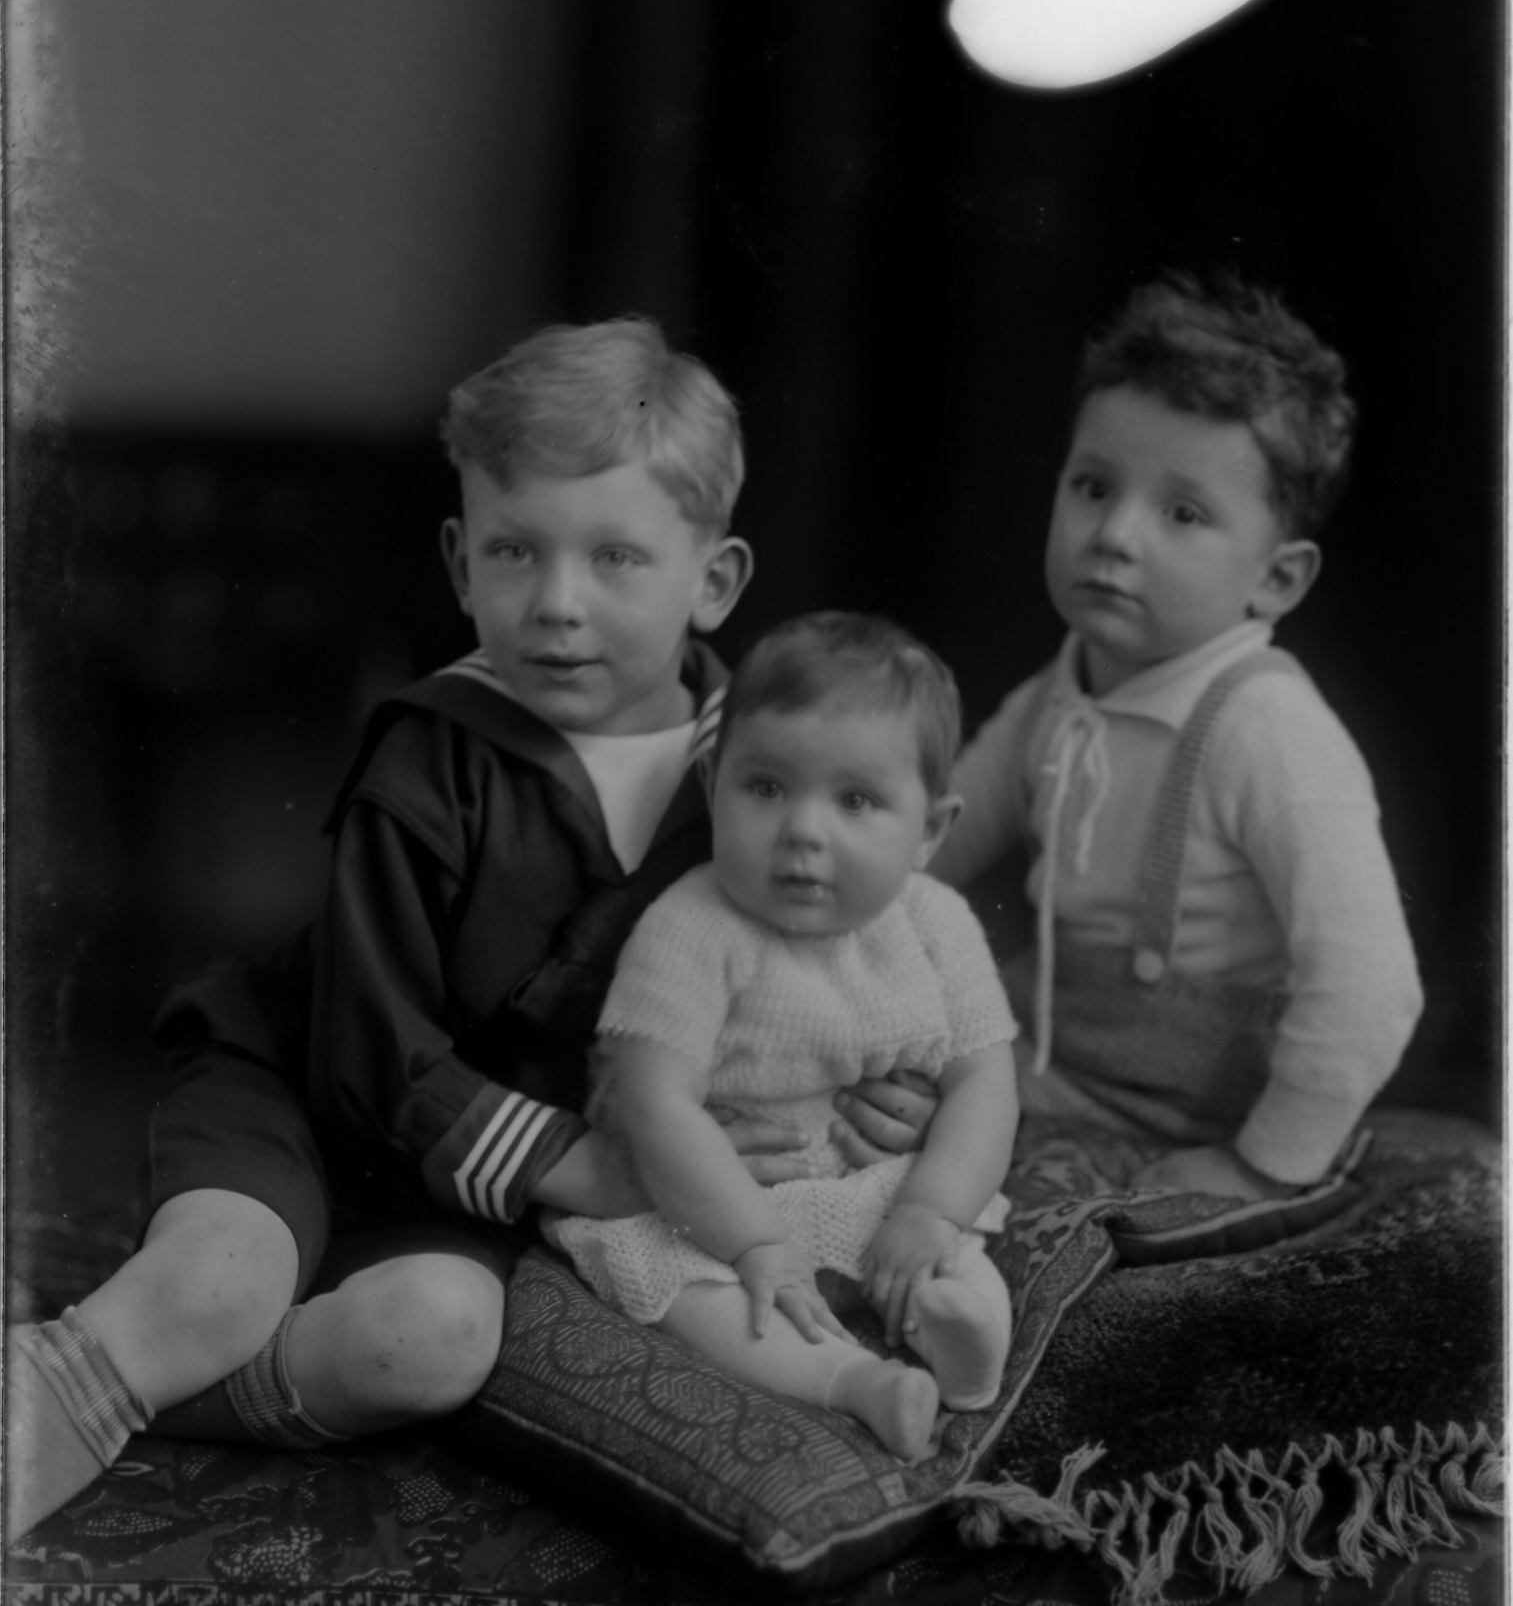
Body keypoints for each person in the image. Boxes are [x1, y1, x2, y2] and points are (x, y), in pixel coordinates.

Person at [7, 320, 928, 1541]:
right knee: (219, 1282)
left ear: (713, 580)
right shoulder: (429, 757)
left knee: (430, 1341)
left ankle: (152, 1391)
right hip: (309, 1091)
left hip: (465, 1189)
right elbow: (369, 1057)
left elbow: (840, 965)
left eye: (614, 557)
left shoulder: (775, 779)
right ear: (459, 561)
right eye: (514, 550)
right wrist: (593, 1167)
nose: (557, 604)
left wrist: (876, 1081)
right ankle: (88, 1374)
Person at [932, 273, 1423, 1209]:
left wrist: (1260, 1165)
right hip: (1051, 1058)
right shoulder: (1062, 687)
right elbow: (934, 840)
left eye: (1182, 513)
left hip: (1187, 1114)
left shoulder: (1267, 731)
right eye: (1092, 487)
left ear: (1275, 581)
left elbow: (1371, 987)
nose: (1113, 535)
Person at [548, 614, 1020, 1465]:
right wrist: (754, 1241)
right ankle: (854, 1381)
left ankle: (962, 1338)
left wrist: (929, 1211)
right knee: (695, 1292)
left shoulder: (937, 922)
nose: (803, 830)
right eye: (765, 788)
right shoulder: (692, 926)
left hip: (877, 1184)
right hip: (713, 1199)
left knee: (949, 1248)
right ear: (712, 783)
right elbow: (655, 1104)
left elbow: (985, 1079)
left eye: (855, 801)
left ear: (929, 830)